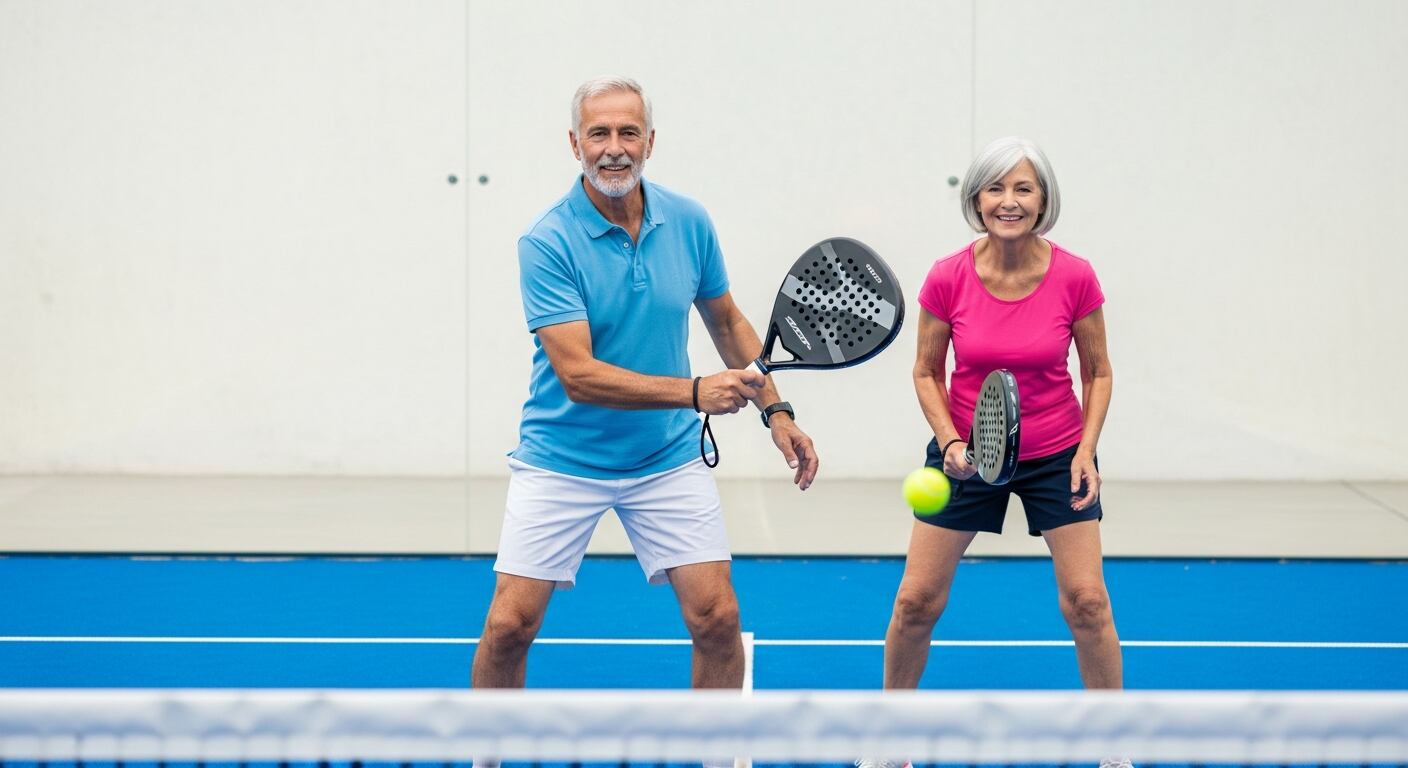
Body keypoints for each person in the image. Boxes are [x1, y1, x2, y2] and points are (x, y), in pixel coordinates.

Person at [472, 76, 818, 699]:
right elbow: (577, 375)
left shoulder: (688, 221)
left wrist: (777, 411)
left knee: (718, 620)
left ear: (650, 141)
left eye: (628, 132)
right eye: (597, 133)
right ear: (574, 144)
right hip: (563, 458)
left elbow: (727, 320)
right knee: (508, 627)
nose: (613, 147)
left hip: (665, 458)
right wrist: (692, 392)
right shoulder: (546, 241)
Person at [862, 137, 1126, 768]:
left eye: (1023, 188)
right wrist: (951, 441)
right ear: (976, 199)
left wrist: (1087, 450)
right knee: (915, 601)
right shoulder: (948, 276)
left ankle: (1114, 747)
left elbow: (1099, 372)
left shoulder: (1075, 275)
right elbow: (927, 371)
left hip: (1057, 452)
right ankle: (892, 736)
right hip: (967, 452)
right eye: (995, 189)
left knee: (1087, 602)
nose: (1009, 202)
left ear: (1044, 200)